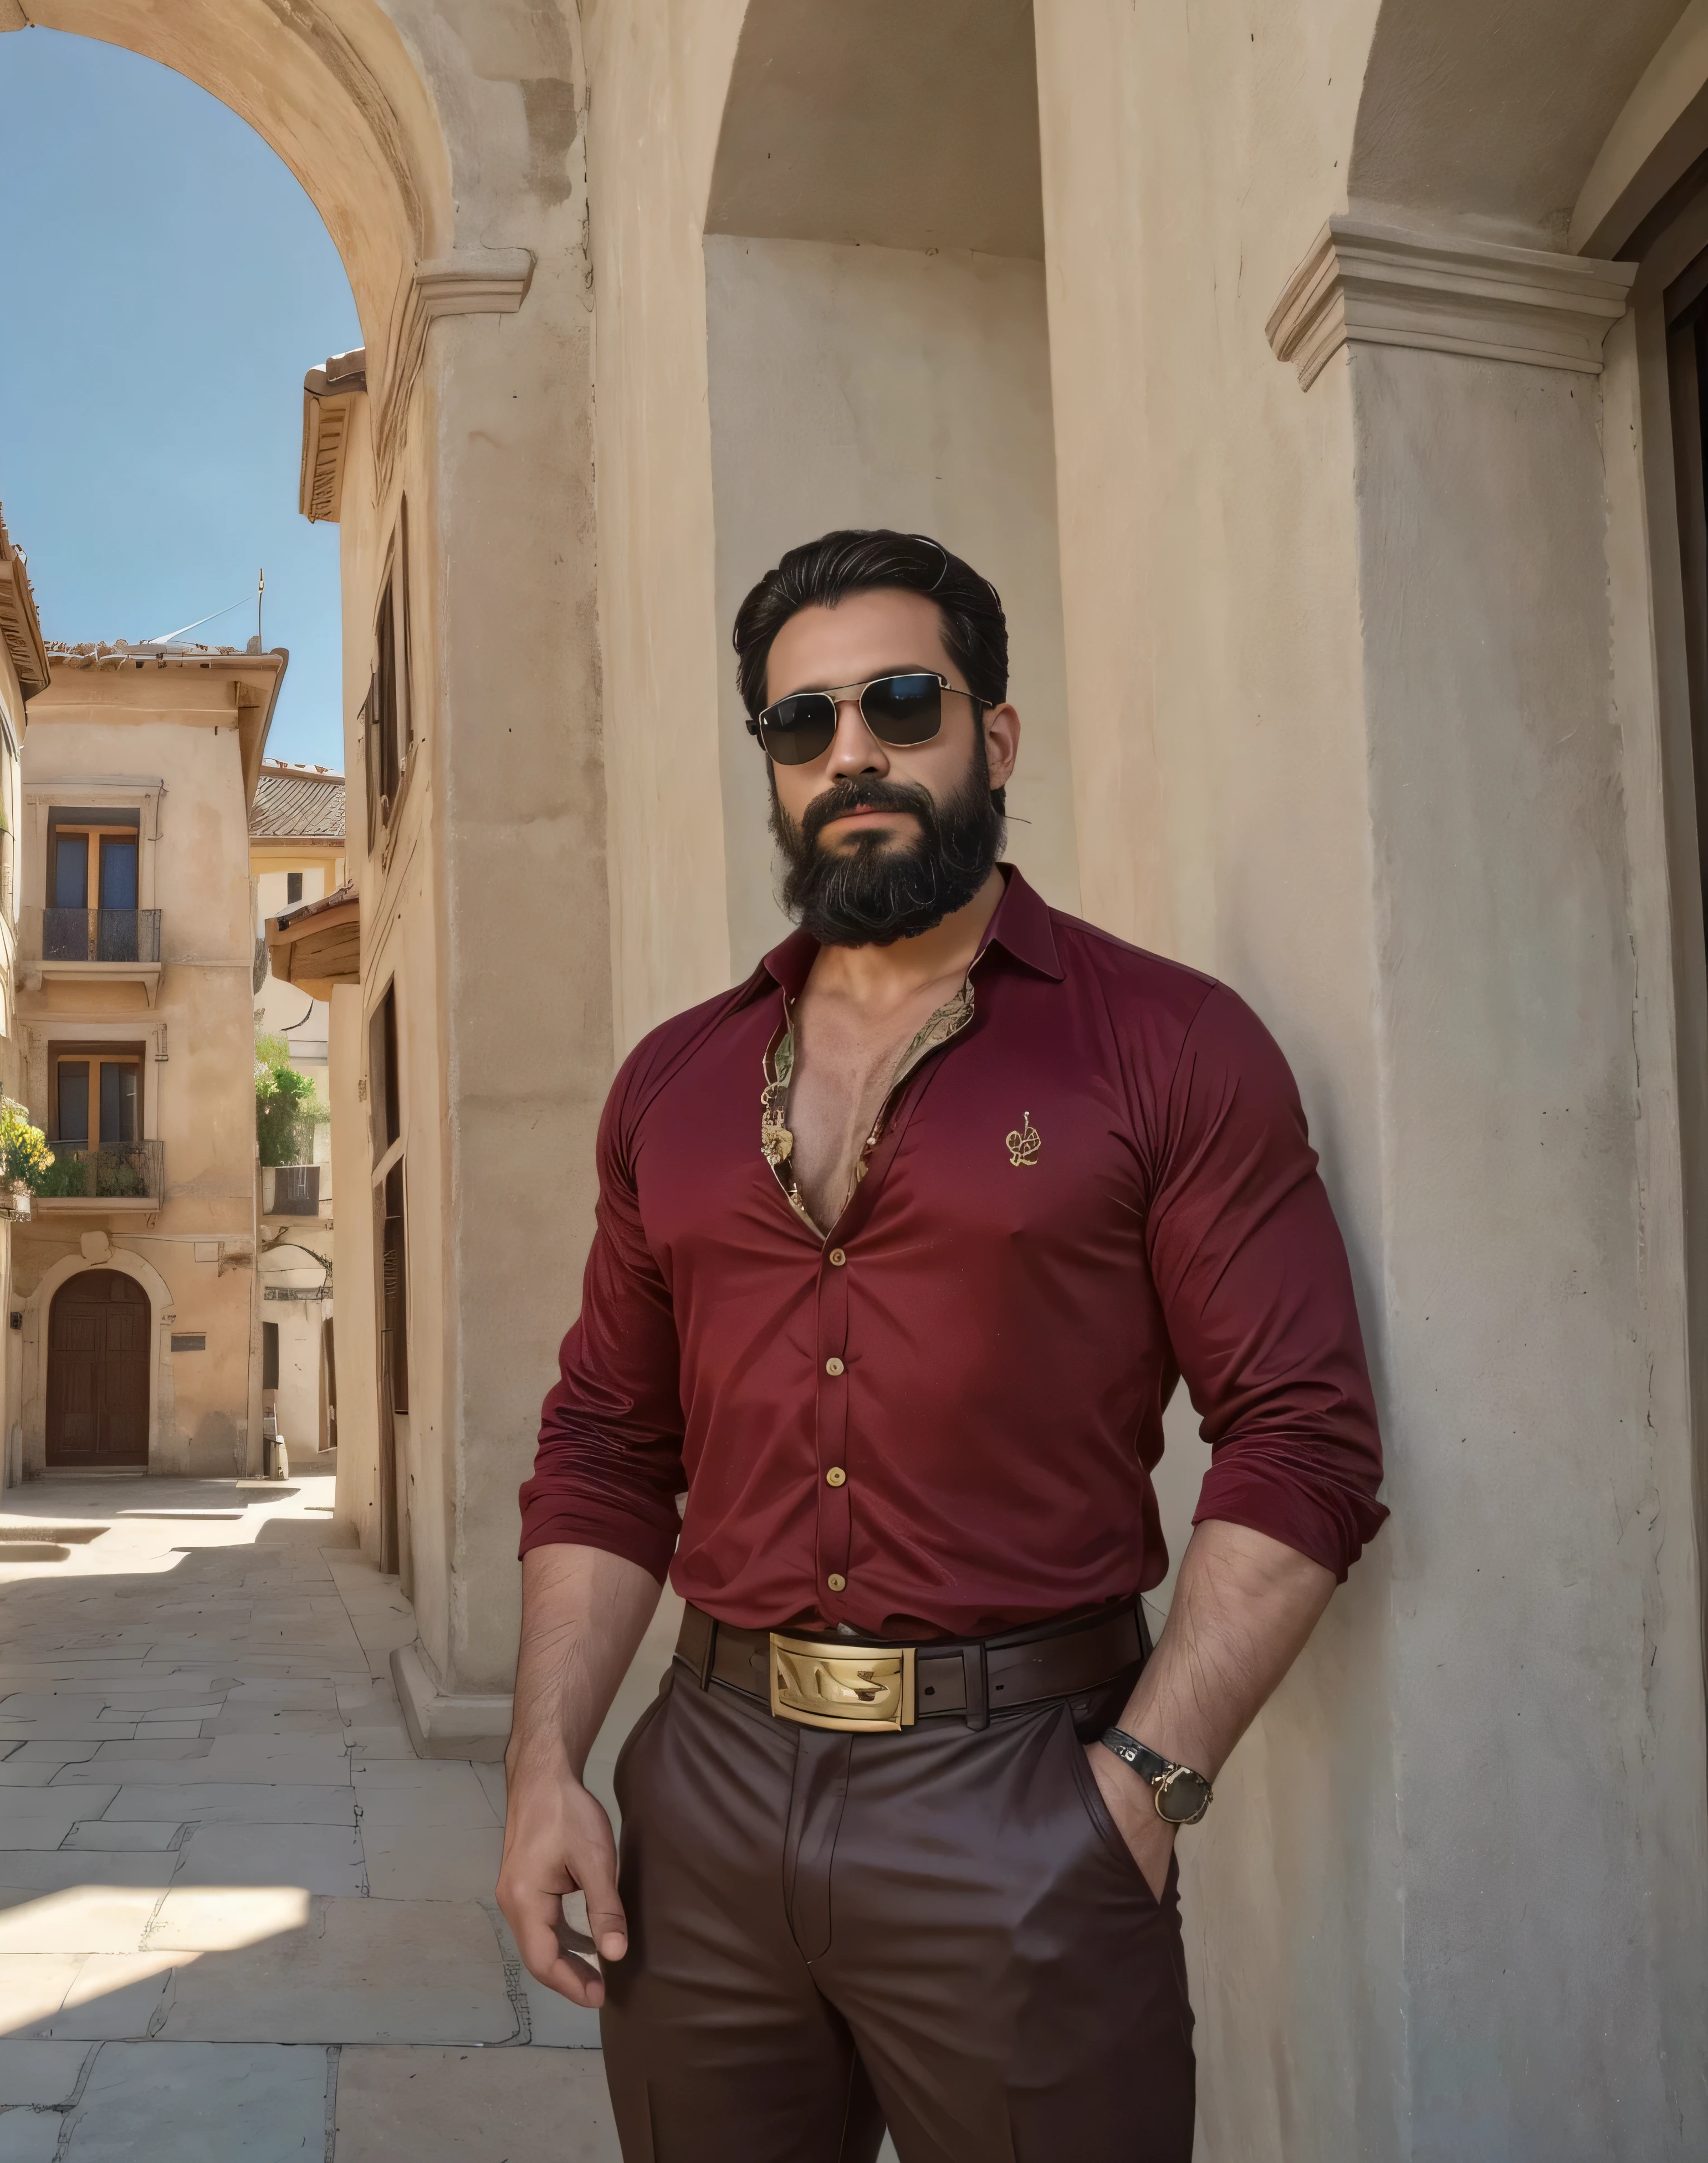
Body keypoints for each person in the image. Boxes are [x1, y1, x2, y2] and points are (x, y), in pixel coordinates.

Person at [497, 529, 1388, 2162]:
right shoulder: (673, 1085)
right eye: (802, 723)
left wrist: (1144, 1787)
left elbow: (1304, 1439)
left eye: (902, 704)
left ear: (996, 735)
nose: (853, 754)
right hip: (702, 1796)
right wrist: (549, 1767)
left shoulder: (1168, 1046)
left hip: (1027, 1794)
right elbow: (610, 1449)